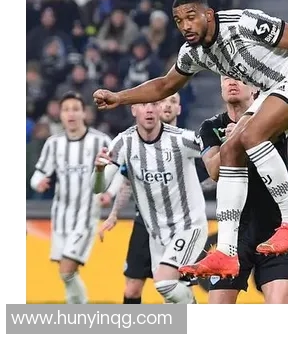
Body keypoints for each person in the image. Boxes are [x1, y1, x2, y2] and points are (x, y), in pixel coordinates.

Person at [93, 0, 288, 278]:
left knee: (251, 136)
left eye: (191, 17)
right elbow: (164, 86)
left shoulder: (243, 23)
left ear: (208, 15)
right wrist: (119, 97)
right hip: (274, 91)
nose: (185, 26)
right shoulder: (194, 52)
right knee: (230, 149)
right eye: (179, 21)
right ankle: (226, 252)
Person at [181, 77, 288, 303]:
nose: (232, 82)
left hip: (276, 227)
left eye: (240, 78)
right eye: (226, 78)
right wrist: (234, 141)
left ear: (256, 87)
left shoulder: (272, 116)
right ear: (220, 86)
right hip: (235, 233)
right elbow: (214, 171)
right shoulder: (211, 126)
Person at [94, 100, 208, 304]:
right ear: (133, 110)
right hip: (155, 231)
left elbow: (216, 151)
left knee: (164, 283)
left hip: (188, 225)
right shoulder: (124, 143)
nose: (149, 109)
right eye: (143, 104)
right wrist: (99, 171)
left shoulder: (181, 139)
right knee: (166, 295)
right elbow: (99, 187)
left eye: (154, 103)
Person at [29, 92, 115, 304]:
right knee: (66, 272)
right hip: (60, 217)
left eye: (76, 109)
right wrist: (38, 183)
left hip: (86, 216)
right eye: (66, 110)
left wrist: (109, 192)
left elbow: (118, 170)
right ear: (60, 114)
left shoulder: (101, 140)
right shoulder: (53, 143)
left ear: (84, 113)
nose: (71, 114)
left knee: (67, 269)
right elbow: (39, 173)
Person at [120, 93, 183, 304]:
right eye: (162, 101)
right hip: (145, 224)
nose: (167, 106)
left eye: (173, 101)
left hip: (178, 226)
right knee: (132, 288)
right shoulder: (135, 144)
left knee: (174, 290)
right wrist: (112, 214)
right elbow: (126, 181)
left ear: (179, 109)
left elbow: (209, 176)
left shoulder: (186, 143)